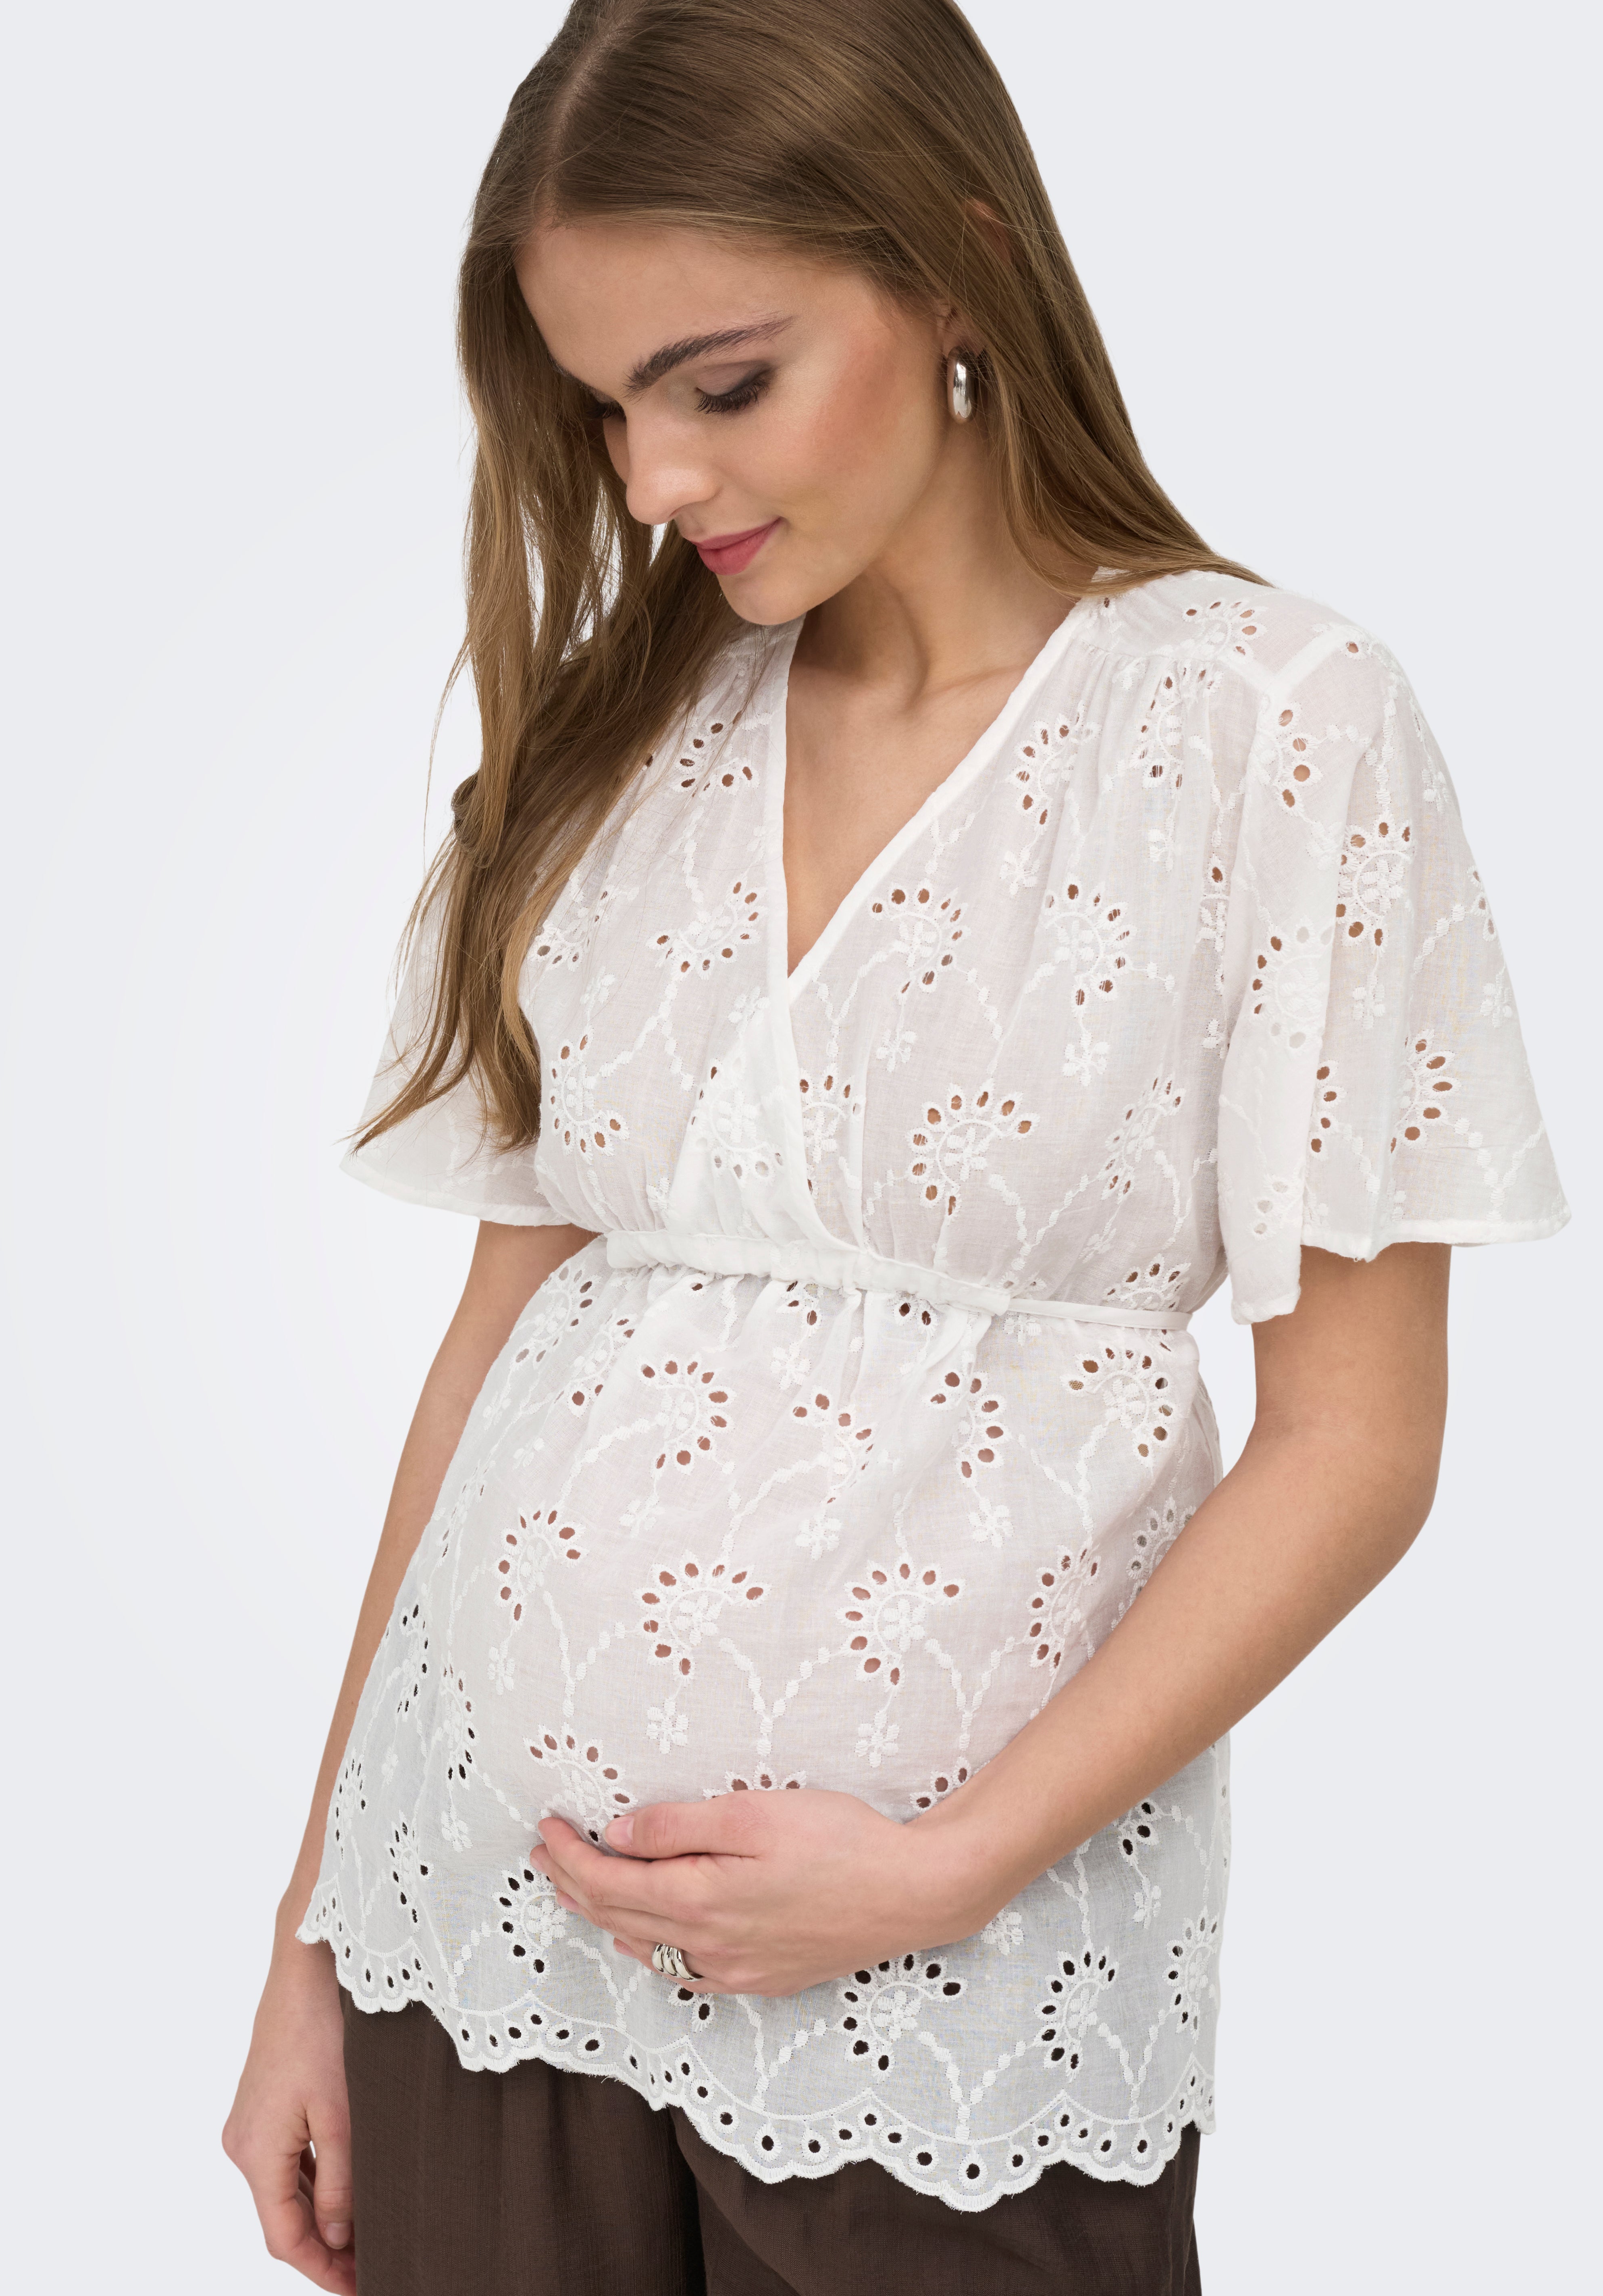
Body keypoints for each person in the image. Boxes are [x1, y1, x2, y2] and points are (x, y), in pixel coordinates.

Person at [222, 2, 1569, 2288]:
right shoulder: (613, 744)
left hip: (951, 1985)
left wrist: (951, 1865)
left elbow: (1359, 1442)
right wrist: (313, 1935)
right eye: (602, 405)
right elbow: (496, 1350)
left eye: (722, 383)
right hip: (476, 1927)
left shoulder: (1266, 721)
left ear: (956, 266)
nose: (652, 481)